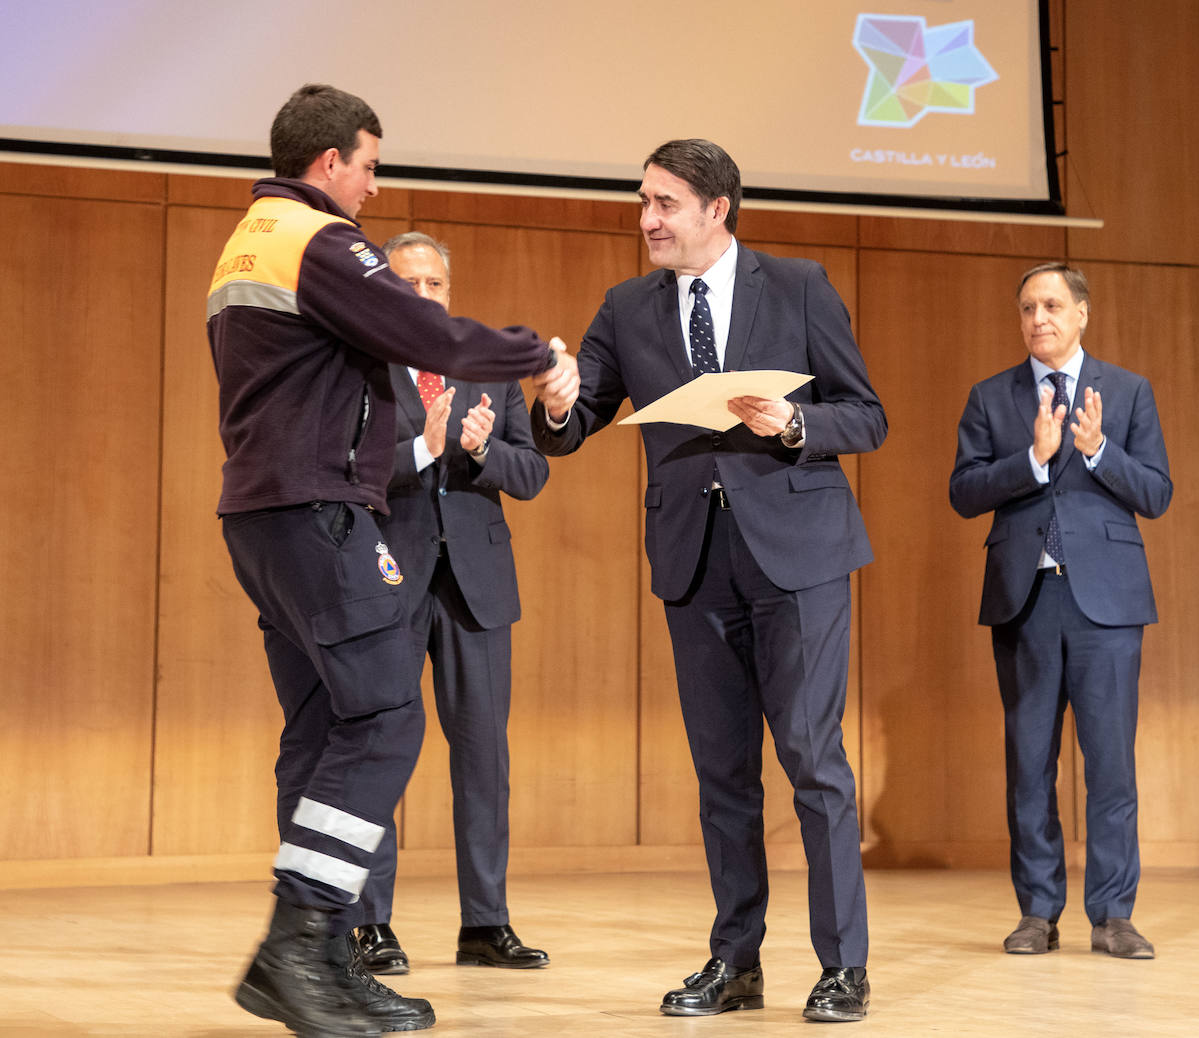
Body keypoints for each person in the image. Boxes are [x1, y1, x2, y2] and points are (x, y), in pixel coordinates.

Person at [207, 83, 577, 1037]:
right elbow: (423, 333)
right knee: (382, 717)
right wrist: (531, 353)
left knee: (334, 719)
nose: (374, 185)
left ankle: (323, 962)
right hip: (318, 515)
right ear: (329, 162)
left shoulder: (246, 240)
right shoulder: (317, 239)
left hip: (261, 515)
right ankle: (300, 951)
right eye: (370, 166)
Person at [531, 139, 886, 1022]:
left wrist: (798, 423)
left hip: (797, 554)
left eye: (665, 203)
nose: (647, 219)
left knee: (811, 759)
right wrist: (559, 400)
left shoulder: (798, 285)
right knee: (723, 774)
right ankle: (737, 962)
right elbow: (577, 427)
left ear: (716, 208)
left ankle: (844, 966)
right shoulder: (626, 306)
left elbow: (866, 414)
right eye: (643, 201)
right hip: (693, 559)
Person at [948, 263, 1172, 960]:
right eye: (1025, 308)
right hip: (1027, 600)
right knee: (1029, 764)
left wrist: (1099, 451)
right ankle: (1038, 912)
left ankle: (1112, 916)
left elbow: (1157, 492)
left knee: (1110, 766)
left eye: (1050, 305)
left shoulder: (1129, 391)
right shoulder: (991, 397)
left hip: (1107, 605)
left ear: (1082, 314)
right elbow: (963, 490)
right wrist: (1034, 460)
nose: (1037, 318)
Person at [351, 232, 551, 975]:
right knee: (378, 752)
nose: (425, 296)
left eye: (436, 284)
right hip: (388, 576)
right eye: (409, 283)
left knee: (482, 757)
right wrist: (425, 452)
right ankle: (369, 925)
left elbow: (530, 473)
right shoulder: (358, 365)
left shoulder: (484, 370)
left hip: (477, 583)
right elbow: (345, 468)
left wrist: (479, 453)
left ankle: (485, 924)